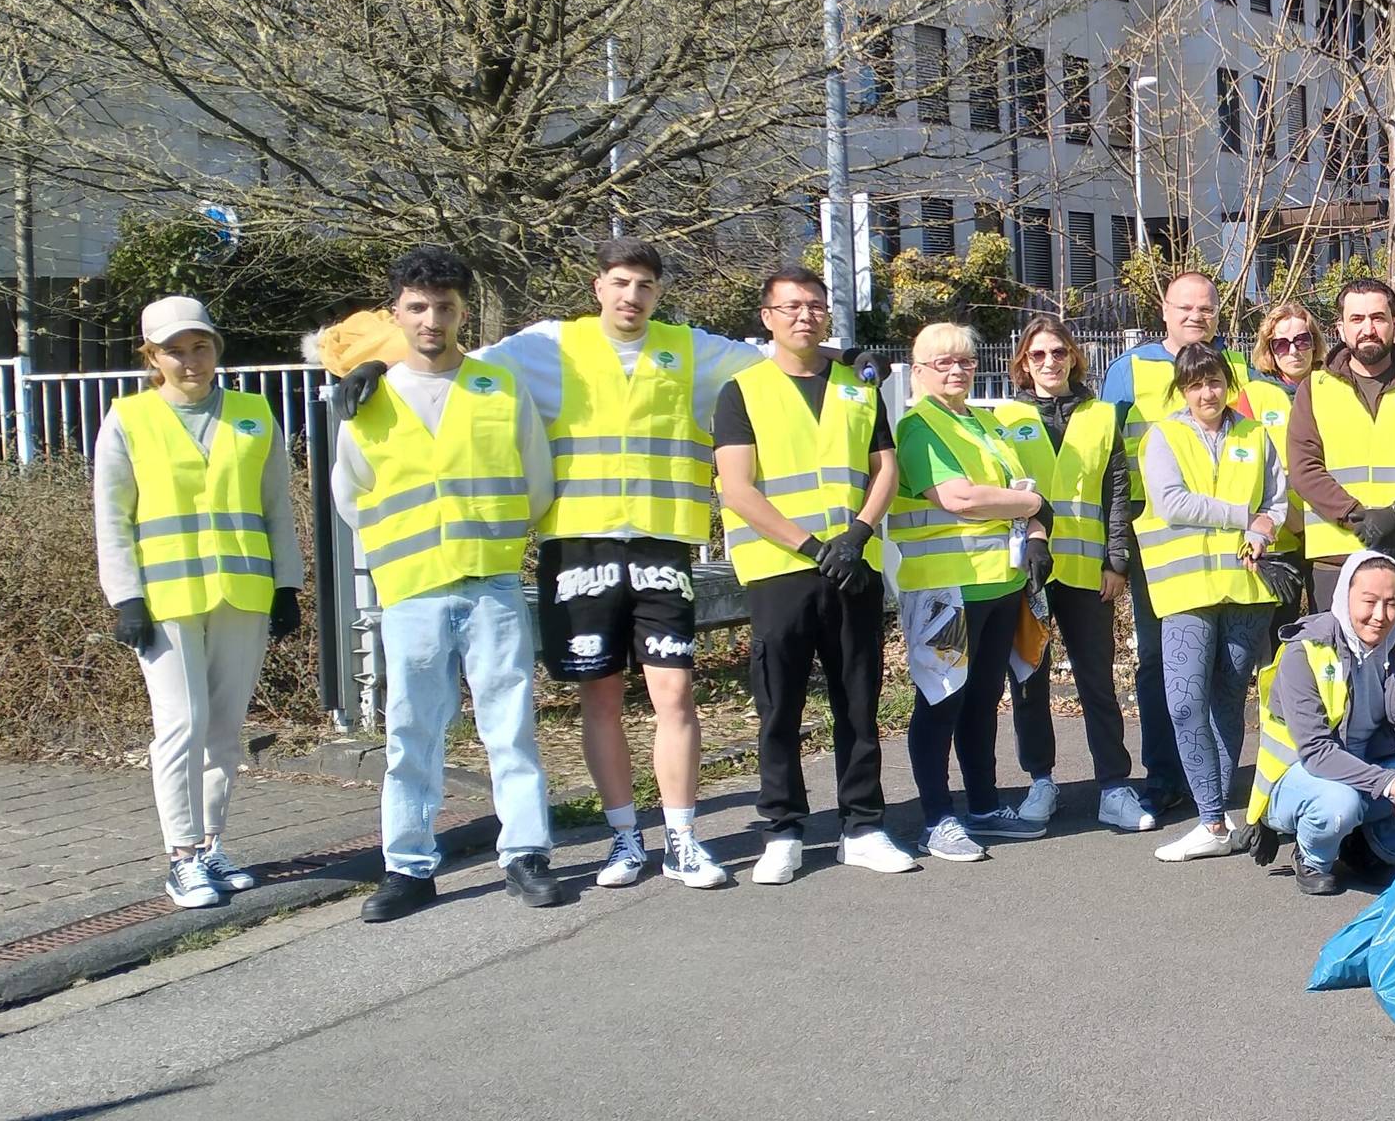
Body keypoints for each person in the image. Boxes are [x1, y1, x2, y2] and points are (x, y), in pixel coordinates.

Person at [397, 238, 767, 892]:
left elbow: (771, 365)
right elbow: (451, 364)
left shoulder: (688, 350)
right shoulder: (546, 346)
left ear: (659, 293)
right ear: (597, 286)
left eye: (646, 285)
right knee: (600, 698)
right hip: (578, 547)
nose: (632, 296)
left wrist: (848, 366)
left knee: (674, 693)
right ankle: (625, 837)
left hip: (661, 545)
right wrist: (370, 368)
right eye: (621, 282)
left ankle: (681, 838)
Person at [330, 246, 562, 923]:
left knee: (510, 728)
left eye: (445, 306)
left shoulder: (497, 386)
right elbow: (351, 494)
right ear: (396, 310)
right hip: (414, 589)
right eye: (418, 306)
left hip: (490, 581)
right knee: (411, 733)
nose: (432, 318)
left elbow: (535, 477)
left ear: (464, 310)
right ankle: (407, 867)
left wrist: (498, 536)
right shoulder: (368, 399)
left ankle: (525, 854)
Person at [96, 296, 304, 908]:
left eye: (200, 347)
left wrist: (285, 584)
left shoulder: (252, 412)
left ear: (216, 347)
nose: (190, 361)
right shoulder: (129, 419)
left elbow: (275, 507)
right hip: (164, 599)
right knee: (180, 726)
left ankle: (212, 846)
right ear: (152, 356)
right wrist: (125, 597)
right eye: (174, 351)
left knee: (224, 729)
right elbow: (111, 516)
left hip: (241, 591)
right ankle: (181, 857)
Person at [715, 267, 915, 883]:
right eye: (791, 306)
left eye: (816, 306)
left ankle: (863, 824)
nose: (805, 316)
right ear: (767, 316)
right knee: (780, 704)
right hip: (781, 570)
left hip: (852, 566)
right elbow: (738, 488)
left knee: (859, 701)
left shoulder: (857, 386)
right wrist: (808, 543)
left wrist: (858, 533)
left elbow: (886, 467)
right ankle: (783, 829)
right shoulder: (742, 391)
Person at [886, 322, 1049, 862]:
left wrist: (1021, 503)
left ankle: (982, 803)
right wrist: (1028, 505)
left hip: (997, 582)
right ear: (919, 369)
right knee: (941, 700)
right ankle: (936, 817)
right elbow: (959, 497)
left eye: (965, 361)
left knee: (982, 700)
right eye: (943, 363)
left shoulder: (982, 422)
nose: (956, 371)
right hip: (944, 589)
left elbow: (1012, 486)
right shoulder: (918, 426)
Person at [996, 316, 1154, 834]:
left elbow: (1116, 492)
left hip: (1090, 571)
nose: (1049, 362)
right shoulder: (1002, 417)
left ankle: (1113, 785)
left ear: (1074, 357)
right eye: (1038, 355)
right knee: (1029, 680)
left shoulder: (1102, 415)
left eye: (1058, 353)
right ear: (1023, 362)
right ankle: (1041, 781)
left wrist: (1117, 561)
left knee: (1098, 681)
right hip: (1027, 571)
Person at [1136, 342, 1286, 862]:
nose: (1208, 391)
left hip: (1246, 591)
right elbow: (1170, 502)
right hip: (1186, 590)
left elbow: (1277, 502)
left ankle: (1216, 818)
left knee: (1227, 700)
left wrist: (1264, 529)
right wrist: (1244, 514)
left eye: (1216, 381)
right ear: (1182, 389)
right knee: (1183, 702)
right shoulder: (1164, 436)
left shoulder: (1254, 434)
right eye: (1197, 383)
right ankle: (1210, 818)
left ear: (1229, 384)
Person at [1246, 552, 1395, 895]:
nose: (1381, 616)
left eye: (1392, 603)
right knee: (1340, 805)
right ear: (1343, 598)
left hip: (1368, 770)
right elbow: (1317, 753)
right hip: (1298, 777)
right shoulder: (1306, 651)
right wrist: (1393, 785)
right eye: (1369, 601)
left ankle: (1372, 849)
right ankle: (1311, 857)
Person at [1099, 271, 1235, 814]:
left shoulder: (1235, 367)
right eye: (1186, 307)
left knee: (1225, 667)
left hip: (1226, 544)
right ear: (1164, 310)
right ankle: (1164, 773)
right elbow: (1108, 458)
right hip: (1158, 546)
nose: (1196, 316)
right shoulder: (1129, 370)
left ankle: (1218, 779)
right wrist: (1114, 546)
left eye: (1206, 308)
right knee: (1160, 661)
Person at [1286, 277, 1395, 646]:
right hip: (1336, 562)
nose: (1368, 328)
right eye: (1357, 319)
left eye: (1378, 318)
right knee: (1340, 688)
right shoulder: (1314, 389)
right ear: (1341, 328)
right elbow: (1304, 469)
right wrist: (1356, 518)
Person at [1241, 301, 1322, 628]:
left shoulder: (1335, 389)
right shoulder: (1253, 395)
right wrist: (1288, 517)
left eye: (1302, 340)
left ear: (1314, 343)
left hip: (1328, 534)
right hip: (1277, 538)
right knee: (1275, 641)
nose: (1294, 350)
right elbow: (1245, 468)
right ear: (1269, 348)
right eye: (1281, 343)